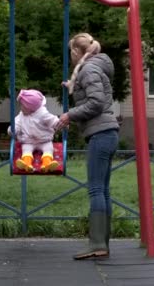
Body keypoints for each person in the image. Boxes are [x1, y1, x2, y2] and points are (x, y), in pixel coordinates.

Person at [55, 33, 119, 260]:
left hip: (100, 134)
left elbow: (96, 102)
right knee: (103, 189)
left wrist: (68, 115)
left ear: (77, 52)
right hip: (107, 133)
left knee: (96, 189)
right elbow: (90, 93)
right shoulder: (93, 67)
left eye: (71, 52)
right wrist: (72, 86)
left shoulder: (89, 70)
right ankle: (102, 243)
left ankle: (97, 244)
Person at [9, 89, 60, 173]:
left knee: (48, 149)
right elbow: (16, 124)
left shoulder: (43, 114)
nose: (21, 107)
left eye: (22, 106)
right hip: (28, 141)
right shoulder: (21, 115)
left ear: (30, 108)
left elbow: (53, 120)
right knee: (26, 149)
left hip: (44, 140)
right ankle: (26, 164)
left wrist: (60, 124)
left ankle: (47, 164)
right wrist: (13, 130)